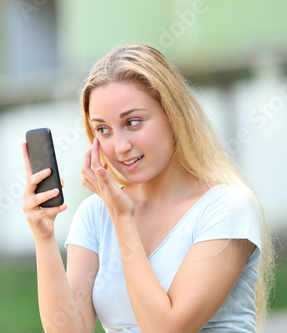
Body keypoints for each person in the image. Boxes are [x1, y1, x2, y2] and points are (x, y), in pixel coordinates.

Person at [22, 44, 274, 333]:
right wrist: (44, 238)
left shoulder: (227, 207)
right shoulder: (95, 214)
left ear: (173, 116)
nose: (120, 147)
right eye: (103, 129)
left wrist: (123, 220)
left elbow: (165, 329)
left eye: (133, 122)